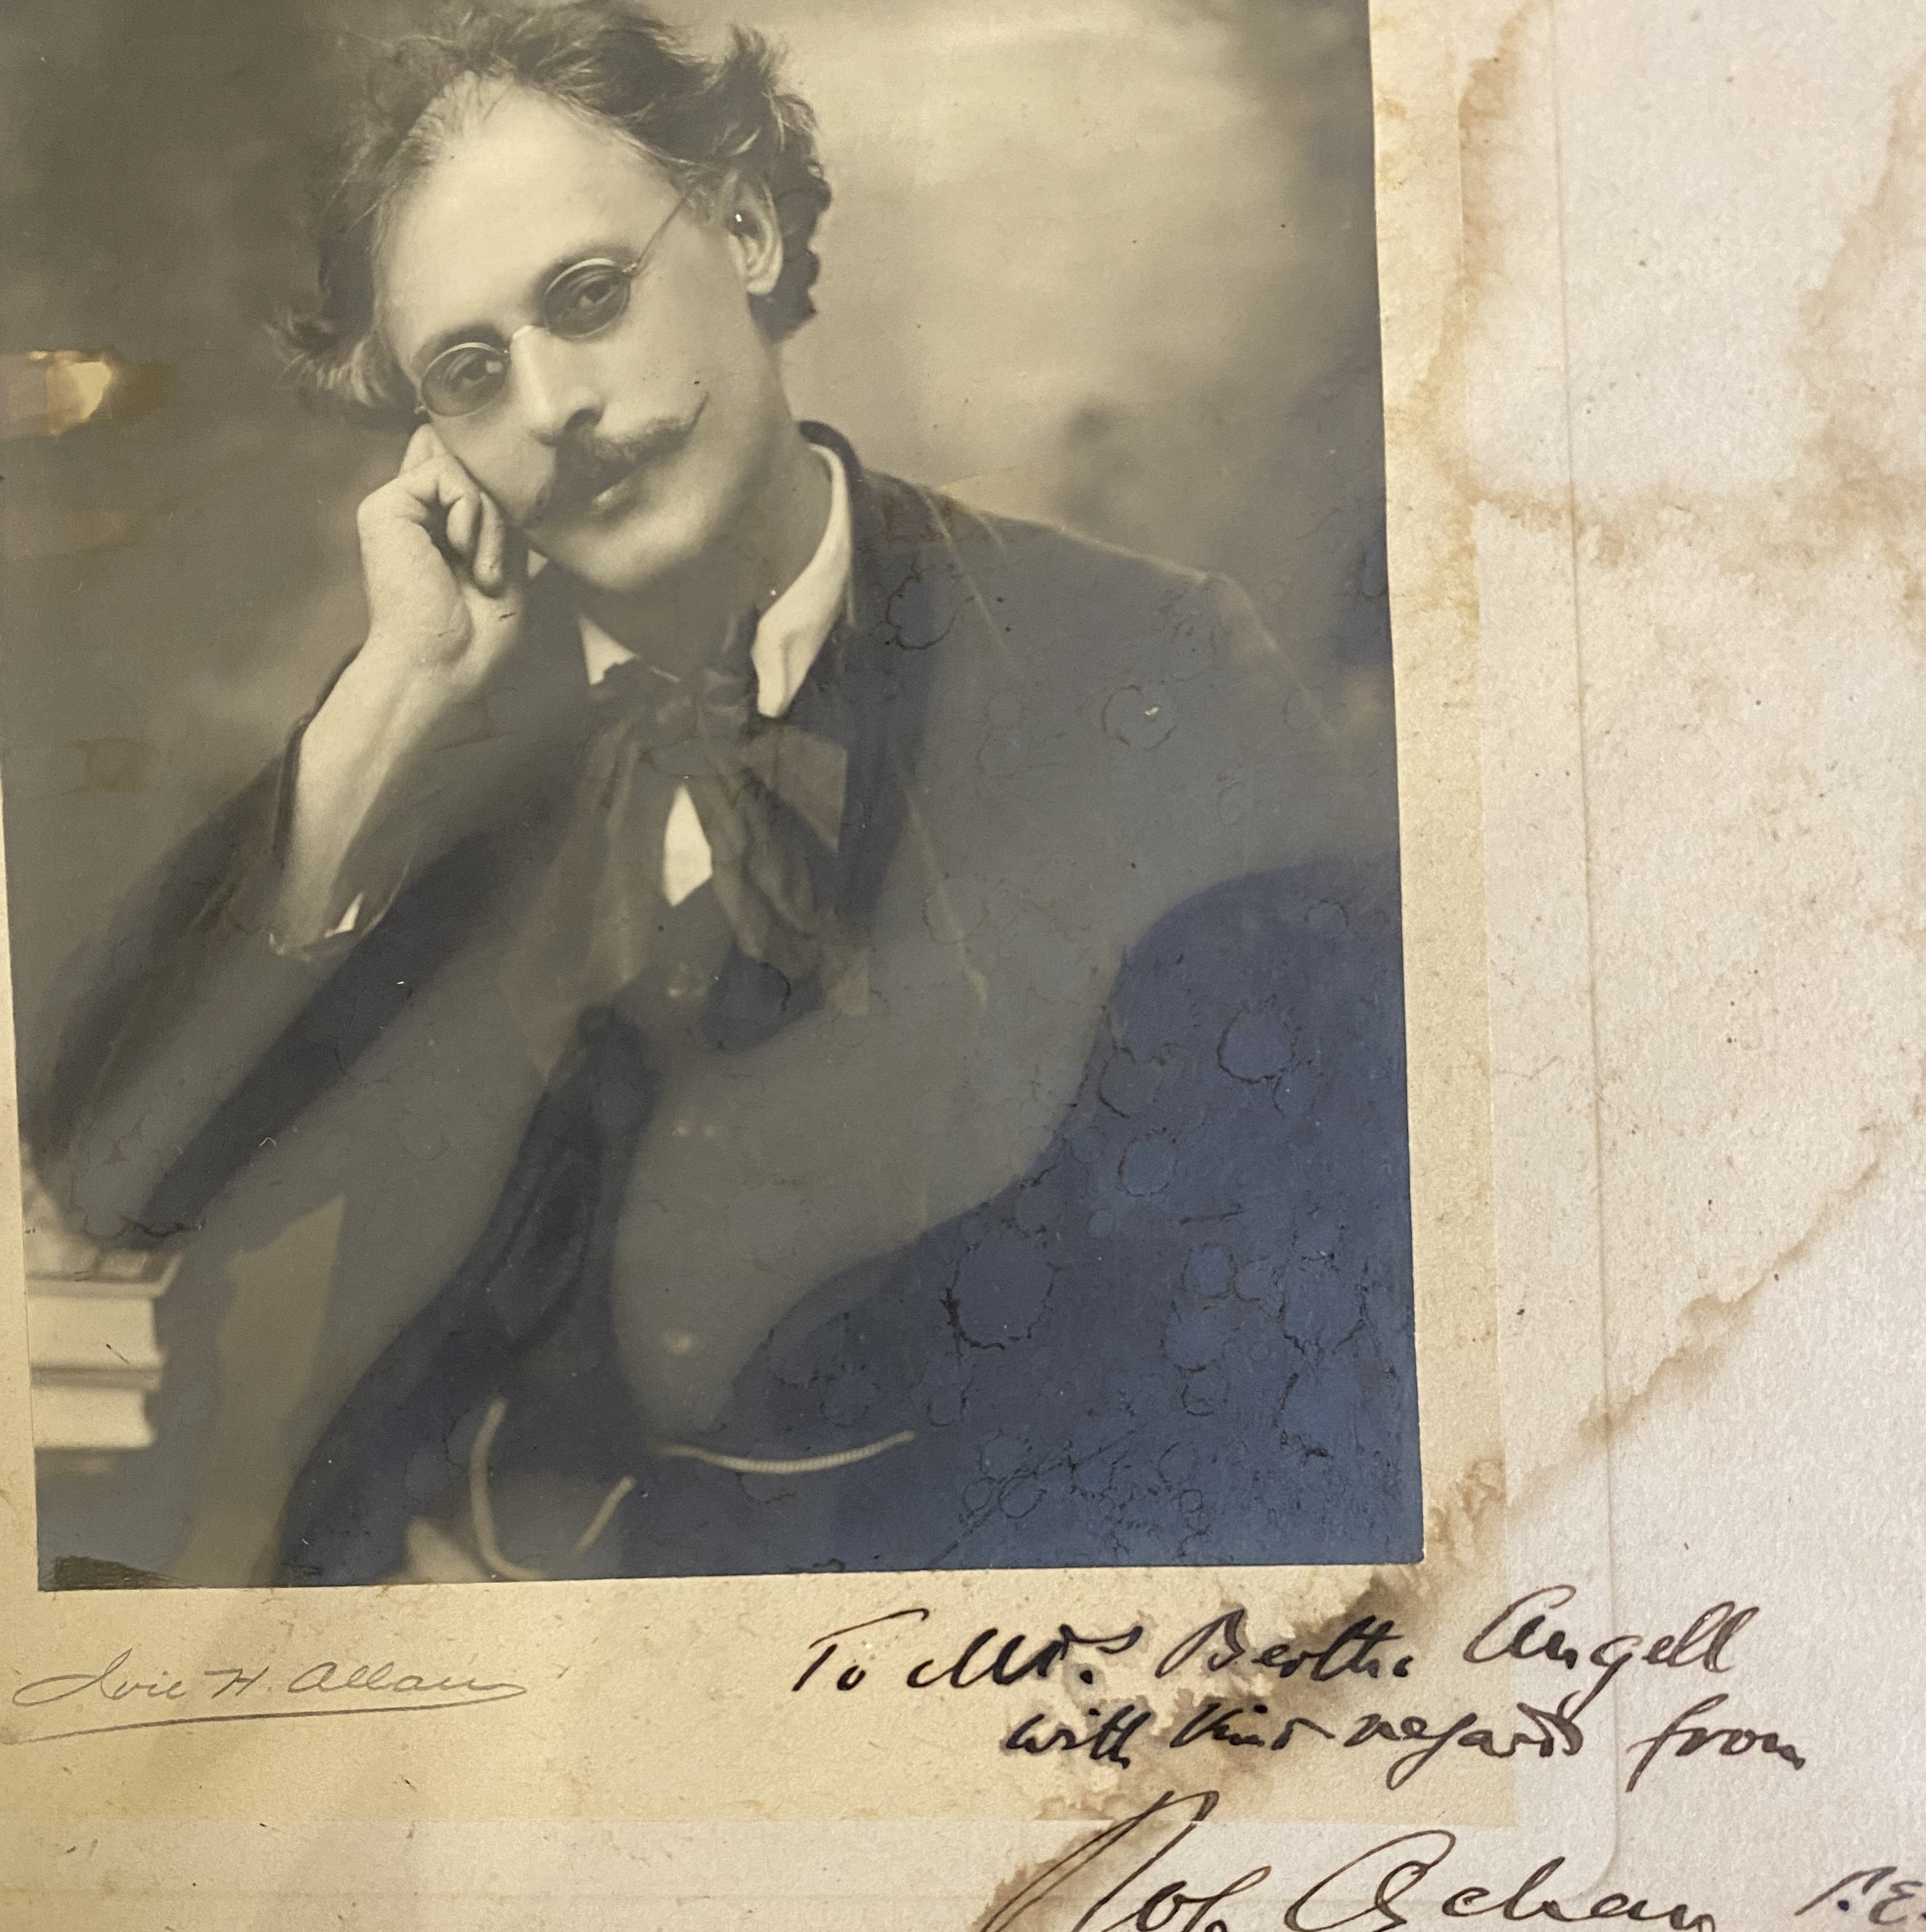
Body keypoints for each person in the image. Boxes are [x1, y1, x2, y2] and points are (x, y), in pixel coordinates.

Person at [25, 0, 1420, 1585]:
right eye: (471, 373)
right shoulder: (429, 737)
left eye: (590, 297)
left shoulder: (1142, 666)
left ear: (746, 228)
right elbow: (114, 1170)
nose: (552, 405)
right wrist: (389, 705)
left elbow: (1315, 1324)